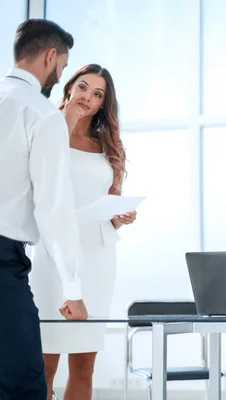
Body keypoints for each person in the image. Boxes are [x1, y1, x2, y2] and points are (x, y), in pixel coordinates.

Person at [30, 64, 136, 400]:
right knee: (44, 364)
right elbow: (40, 182)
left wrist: (120, 216)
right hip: (51, 257)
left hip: (98, 257)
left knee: (84, 366)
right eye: (83, 87)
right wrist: (66, 123)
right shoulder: (45, 127)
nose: (87, 97)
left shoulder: (108, 144)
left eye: (97, 94)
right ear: (69, 88)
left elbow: (110, 202)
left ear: (105, 104)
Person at [0, 19, 88, 400]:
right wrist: (73, 287)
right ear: (50, 56)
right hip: (3, 264)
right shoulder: (41, 113)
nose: (60, 75)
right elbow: (53, 208)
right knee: (24, 386)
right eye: (63, 67)